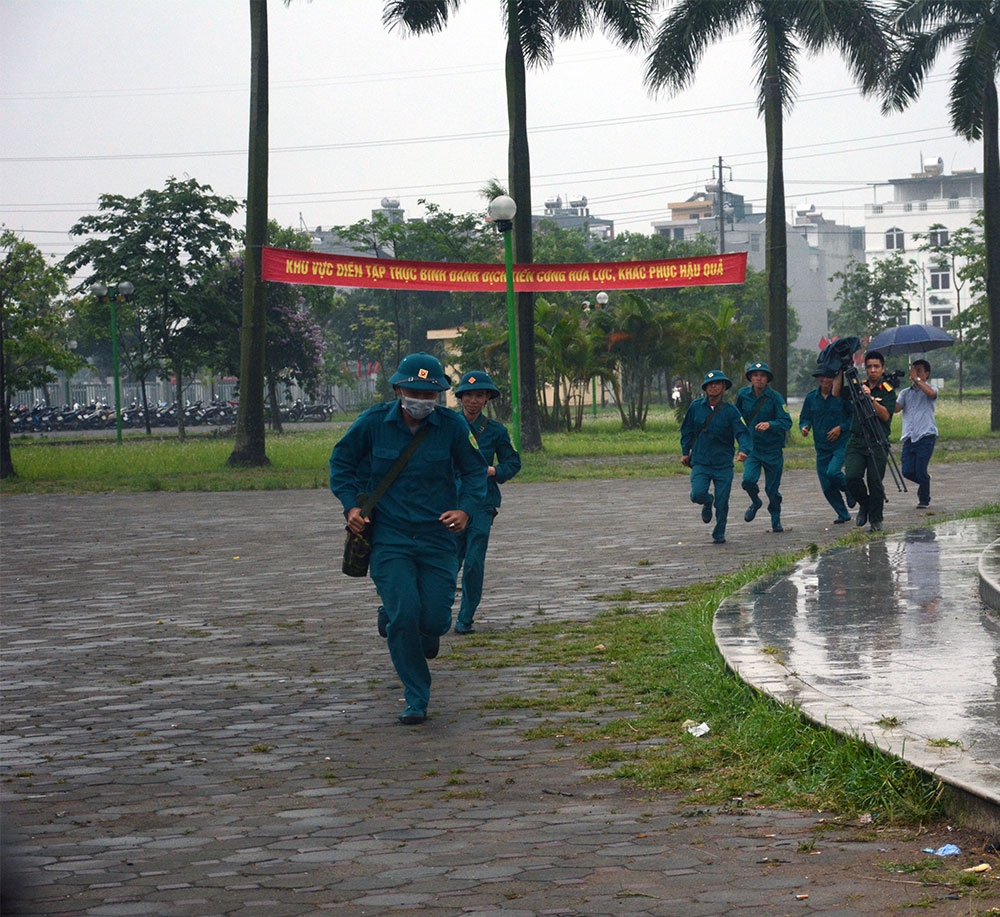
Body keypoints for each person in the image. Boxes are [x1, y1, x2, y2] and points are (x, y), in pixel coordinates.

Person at [329, 352, 487, 726]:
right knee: (404, 615)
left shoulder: (450, 427)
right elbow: (342, 463)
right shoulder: (372, 423)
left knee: (433, 619)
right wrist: (351, 506)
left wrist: (465, 509)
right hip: (390, 537)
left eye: (430, 394)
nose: (422, 400)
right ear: (399, 388)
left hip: (437, 538)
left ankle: (412, 626)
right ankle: (417, 696)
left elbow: (475, 471)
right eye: (415, 391)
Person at [452, 371, 521, 634]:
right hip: (452, 503)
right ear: (460, 397)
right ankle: (436, 611)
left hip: (482, 503)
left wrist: (493, 471)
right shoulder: (448, 426)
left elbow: (513, 463)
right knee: (448, 560)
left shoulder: (495, 431)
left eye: (479, 395)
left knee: (473, 562)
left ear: (487, 398)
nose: (473, 400)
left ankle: (466, 617)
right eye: (468, 395)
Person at [680, 370, 751, 545]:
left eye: (717, 384)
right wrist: (684, 451)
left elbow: (742, 432)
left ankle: (719, 532)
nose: (713, 387)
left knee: (722, 500)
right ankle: (707, 501)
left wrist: (744, 450)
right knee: (697, 493)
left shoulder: (731, 411)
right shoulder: (696, 407)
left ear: (724, 387)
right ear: (705, 388)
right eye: (710, 384)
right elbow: (687, 430)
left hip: (723, 463)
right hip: (701, 461)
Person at [834, 349, 897, 533]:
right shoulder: (857, 385)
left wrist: (869, 397)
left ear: (883, 368)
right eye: (869, 366)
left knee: (875, 481)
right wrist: (839, 371)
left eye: (876, 366)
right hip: (857, 440)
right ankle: (865, 504)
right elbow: (837, 392)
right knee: (852, 477)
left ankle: (876, 519)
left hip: (877, 441)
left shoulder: (887, 391)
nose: (872, 370)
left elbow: (885, 415)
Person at [736, 361, 792, 532]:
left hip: (772, 449)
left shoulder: (775, 397)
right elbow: (736, 419)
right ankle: (755, 502)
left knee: (772, 490)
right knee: (747, 481)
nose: (758, 378)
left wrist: (771, 424)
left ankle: (776, 519)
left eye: (762, 375)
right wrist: (740, 444)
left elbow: (786, 421)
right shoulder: (743, 395)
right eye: (755, 375)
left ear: (767, 379)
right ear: (750, 378)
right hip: (753, 449)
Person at [799, 369, 855, 524]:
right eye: (821, 377)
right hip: (821, 447)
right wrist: (805, 427)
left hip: (841, 444)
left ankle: (849, 488)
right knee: (826, 486)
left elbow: (853, 417)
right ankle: (842, 514)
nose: (824, 380)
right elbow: (805, 418)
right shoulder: (811, 398)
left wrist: (840, 428)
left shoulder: (842, 397)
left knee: (833, 472)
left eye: (828, 377)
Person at [894, 359, 938, 509]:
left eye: (919, 370)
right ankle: (925, 479)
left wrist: (918, 380)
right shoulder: (905, 393)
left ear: (927, 373)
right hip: (909, 437)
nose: (915, 374)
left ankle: (924, 499)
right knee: (907, 471)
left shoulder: (931, 389)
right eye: (913, 370)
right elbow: (896, 408)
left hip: (926, 435)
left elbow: (931, 394)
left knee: (920, 469)